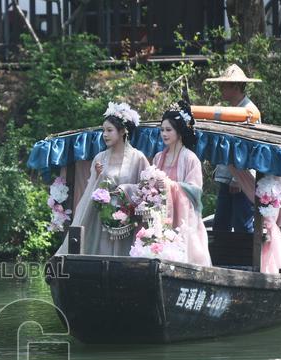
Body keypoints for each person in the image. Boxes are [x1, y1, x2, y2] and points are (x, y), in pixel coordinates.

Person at [63, 102, 150, 256]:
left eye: (110, 130)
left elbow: (147, 189)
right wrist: (97, 177)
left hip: (127, 219)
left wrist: (126, 190)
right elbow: (91, 190)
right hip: (102, 218)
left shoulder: (138, 158)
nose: (105, 134)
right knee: (101, 253)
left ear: (122, 131)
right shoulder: (100, 158)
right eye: (103, 130)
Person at [153, 100, 211, 266]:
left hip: (184, 220)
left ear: (179, 132)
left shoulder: (190, 159)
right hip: (161, 216)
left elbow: (195, 192)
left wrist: (169, 185)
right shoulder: (158, 157)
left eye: (168, 130)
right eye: (162, 130)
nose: (164, 134)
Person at [206, 65, 262, 233]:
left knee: (242, 224)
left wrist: (238, 178)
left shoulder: (249, 111)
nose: (220, 89)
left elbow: (251, 148)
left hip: (241, 178)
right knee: (221, 224)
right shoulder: (230, 109)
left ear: (236, 87)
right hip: (226, 175)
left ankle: (244, 258)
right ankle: (222, 257)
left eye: (224, 86)